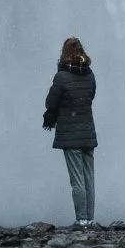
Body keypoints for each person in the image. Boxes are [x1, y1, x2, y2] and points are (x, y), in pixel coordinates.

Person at [42, 36, 98, 226]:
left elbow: (50, 102)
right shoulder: (90, 75)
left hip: (70, 134)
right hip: (88, 133)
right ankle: (90, 219)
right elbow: (91, 96)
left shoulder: (61, 77)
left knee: (77, 181)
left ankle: (81, 219)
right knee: (89, 178)